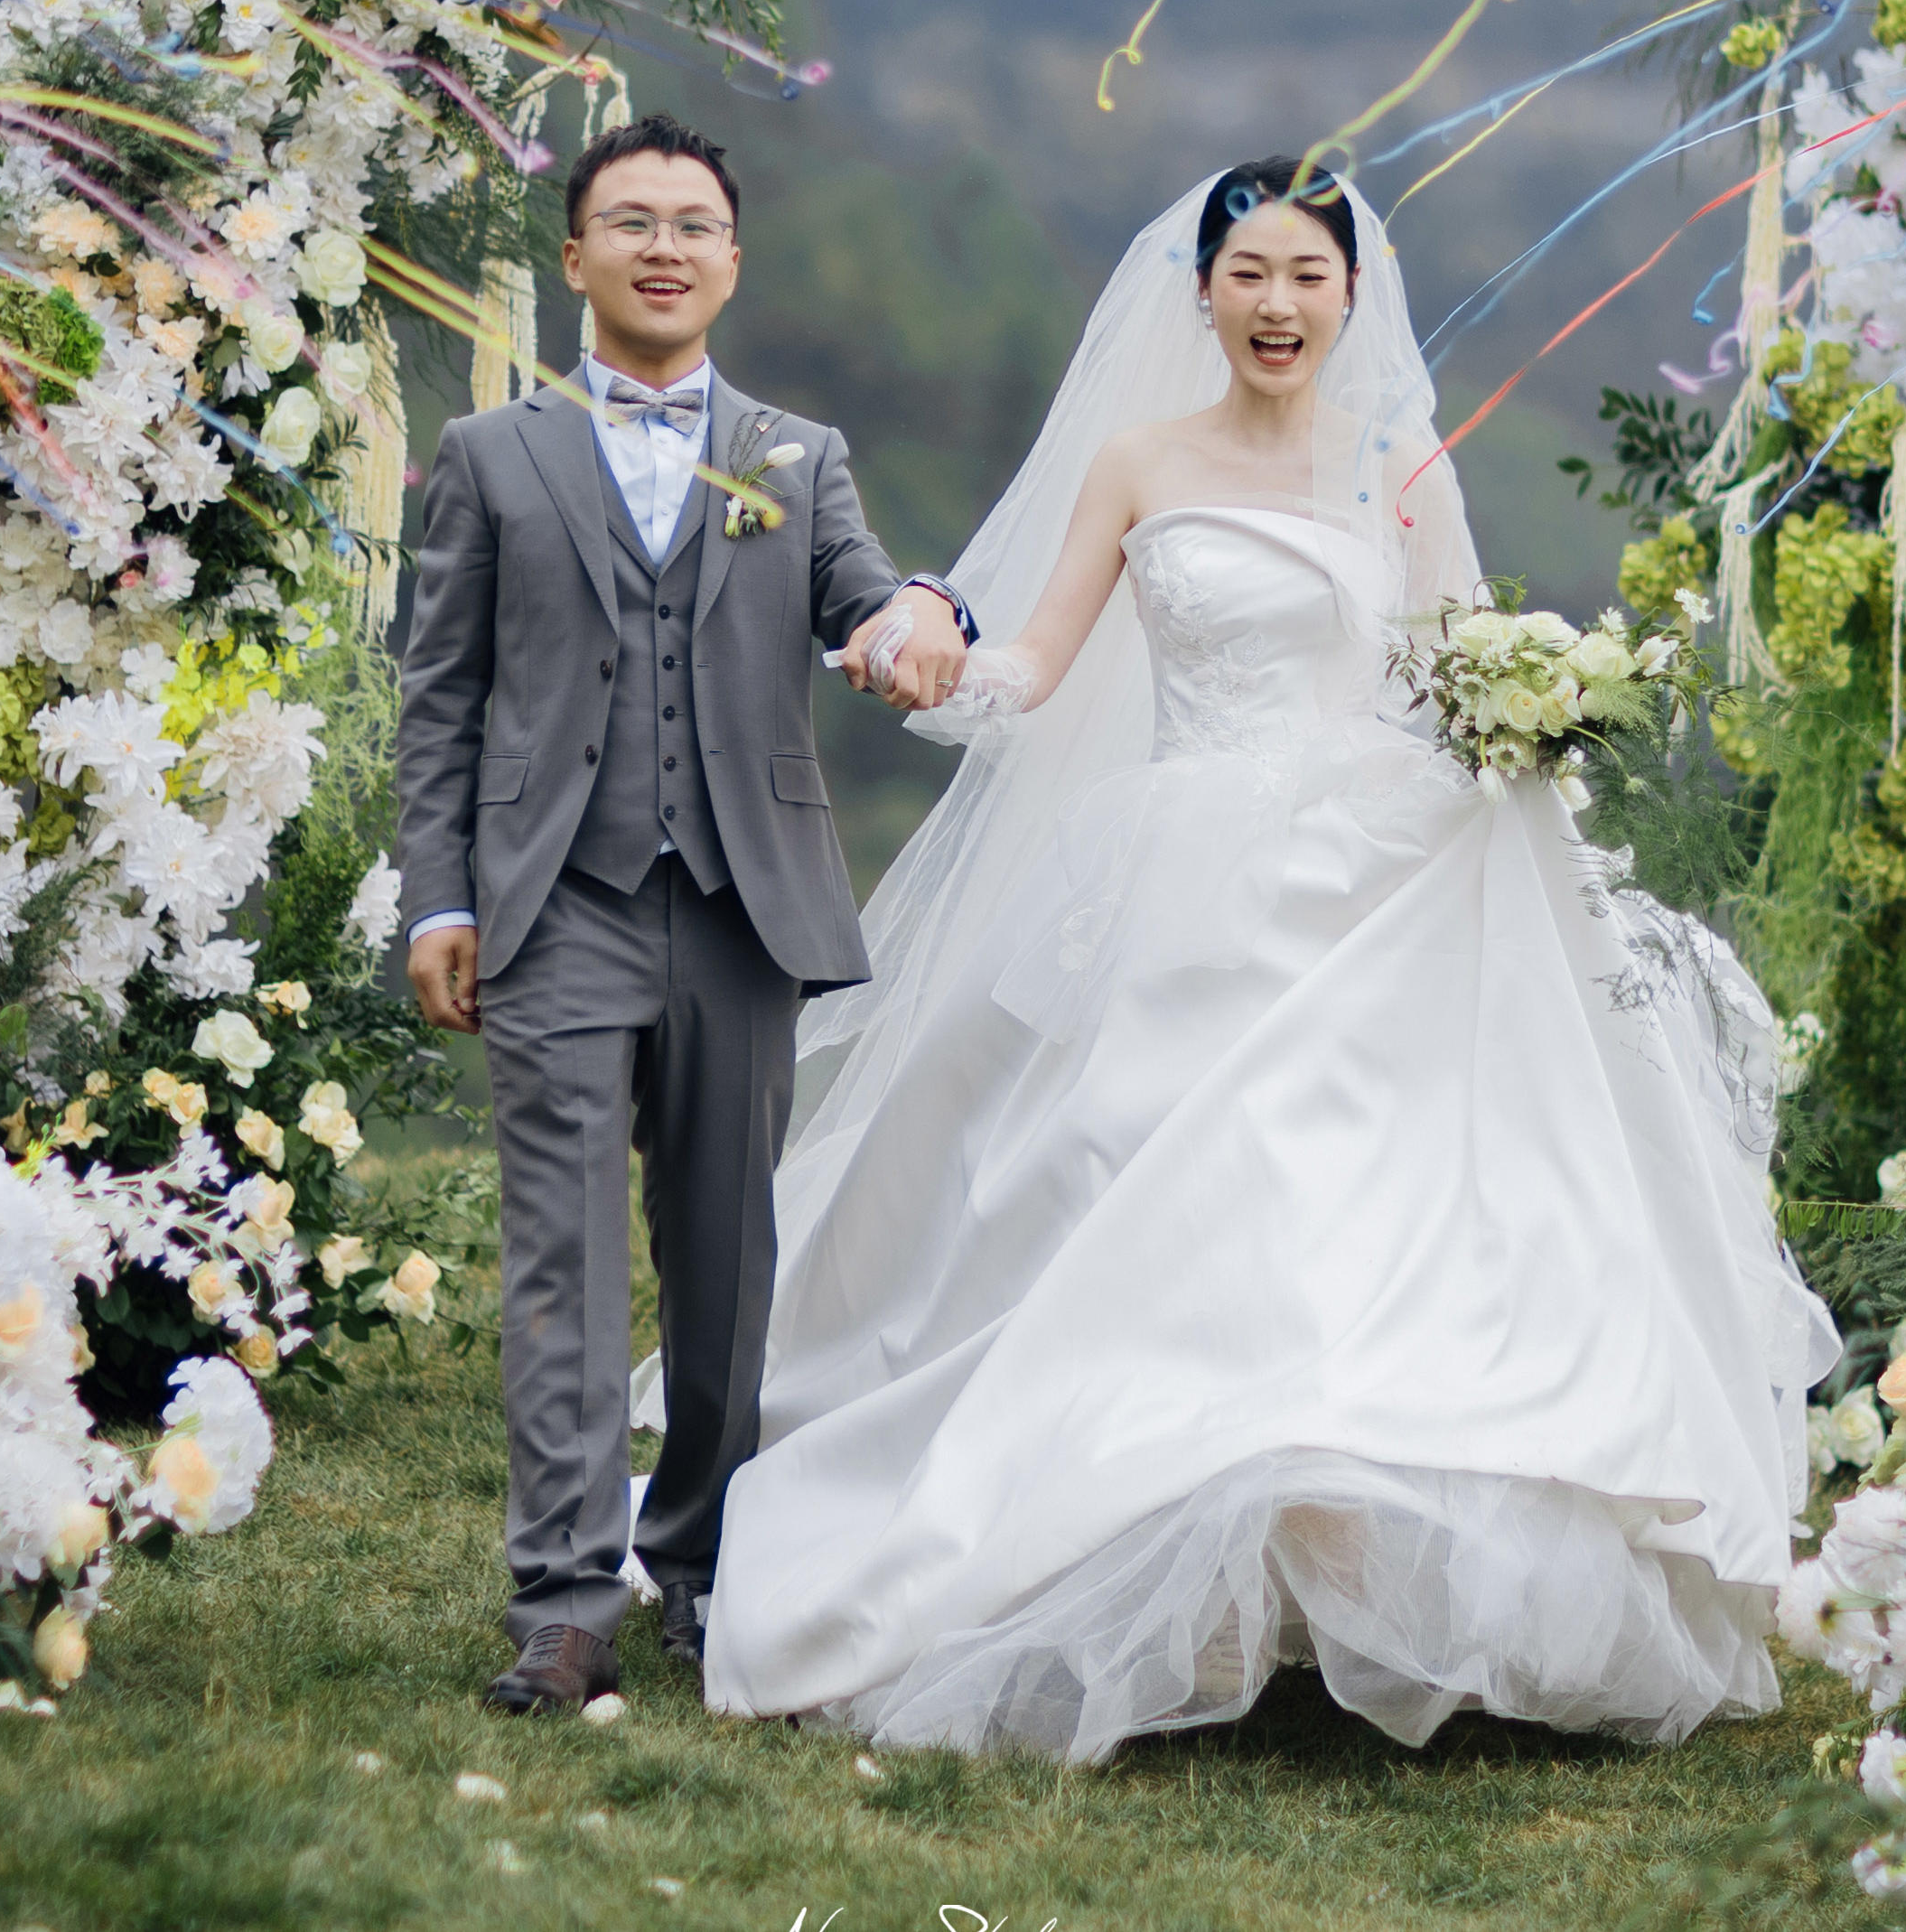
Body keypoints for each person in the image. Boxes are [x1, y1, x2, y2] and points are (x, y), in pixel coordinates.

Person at [702, 159, 1829, 1761]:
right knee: (1160, 1199)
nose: (1277, 303)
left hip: (1373, 881)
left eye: (1307, 273)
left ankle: (1338, 1561)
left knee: (1369, 1214)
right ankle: (1160, 1556)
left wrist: (1530, 709)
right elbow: (1035, 657)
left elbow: (1457, 658)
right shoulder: (1139, 461)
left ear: (1351, 295)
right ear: (1204, 291)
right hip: (1178, 890)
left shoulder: (1400, 469)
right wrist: (935, 668)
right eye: (1248, 273)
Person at [392, 114, 974, 1716]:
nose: (663, 246)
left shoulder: (797, 456)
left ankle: (705, 1565)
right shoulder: (492, 456)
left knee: (727, 1261)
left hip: (740, 907)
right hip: (552, 901)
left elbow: (866, 598)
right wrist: (438, 896)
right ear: (574, 258)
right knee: (558, 1260)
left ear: (731, 260)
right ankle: (564, 1602)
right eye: (629, 221)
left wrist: (930, 608)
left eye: (694, 223)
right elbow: (439, 698)